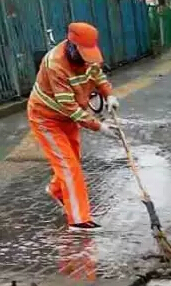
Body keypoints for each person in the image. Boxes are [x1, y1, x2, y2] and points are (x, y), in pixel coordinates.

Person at [27, 22, 120, 232]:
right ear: (71, 44)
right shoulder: (55, 64)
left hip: (68, 119)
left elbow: (97, 75)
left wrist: (109, 94)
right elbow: (70, 109)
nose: (88, 59)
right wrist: (100, 127)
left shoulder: (89, 56)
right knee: (69, 167)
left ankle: (56, 190)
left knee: (71, 161)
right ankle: (79, 220)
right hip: (46, 119)